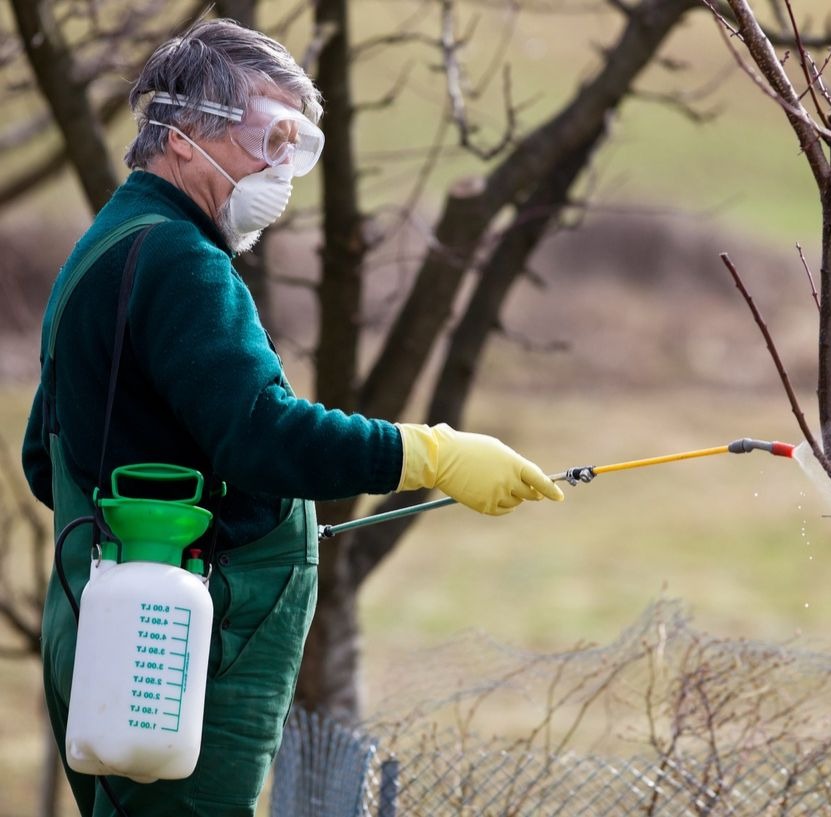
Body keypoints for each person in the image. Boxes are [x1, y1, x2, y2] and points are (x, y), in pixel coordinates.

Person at [22, 18, 563, 817]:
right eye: (266, 138)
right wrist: (430, 454)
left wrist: (158, 527)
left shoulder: (108, 244)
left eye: (295, 144)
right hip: (182, 654)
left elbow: (47, 458)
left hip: (104, 637)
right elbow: (264, 437)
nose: (281, 168)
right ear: (180, 136)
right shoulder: (183, 262)